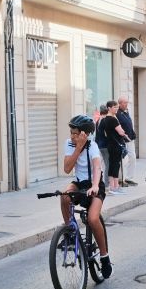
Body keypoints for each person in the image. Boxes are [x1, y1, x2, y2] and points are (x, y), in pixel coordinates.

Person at [61, 115, 111, 278]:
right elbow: (67, 169)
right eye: (71, 133)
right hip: (79, 183)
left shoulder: (93, 146)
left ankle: (104, 257)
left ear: (85, 134)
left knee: (93, 219)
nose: (72, 136)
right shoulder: (70, 145)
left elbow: (97, 168)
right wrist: (77, 147)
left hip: (95, 185)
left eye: (76, 134)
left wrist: (96, 185)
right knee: (64, 196)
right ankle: (70, 232)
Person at [94, 101, 128, 194]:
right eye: (114, 107)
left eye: (117, 107)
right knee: (114, 165)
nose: (116, 109)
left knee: (111, 165)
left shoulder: (104, 120)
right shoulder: (112, 119)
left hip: (109, 144)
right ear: (109, 108)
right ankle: (113, 186)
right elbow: (121, 132)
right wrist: (122, 132)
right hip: (114, 145)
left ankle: (111, 186)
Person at [116, 95, 138, 186]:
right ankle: (121, 179)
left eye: (127, 102)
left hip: (130, 139)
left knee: (132, 158)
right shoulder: (117, 113)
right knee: (124, 160)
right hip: (123, 140)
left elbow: (129, 124)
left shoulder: (126, 112)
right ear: (120, 103)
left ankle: (129, 178)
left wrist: (133, 133)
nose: (126, 104)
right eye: (124, 103)